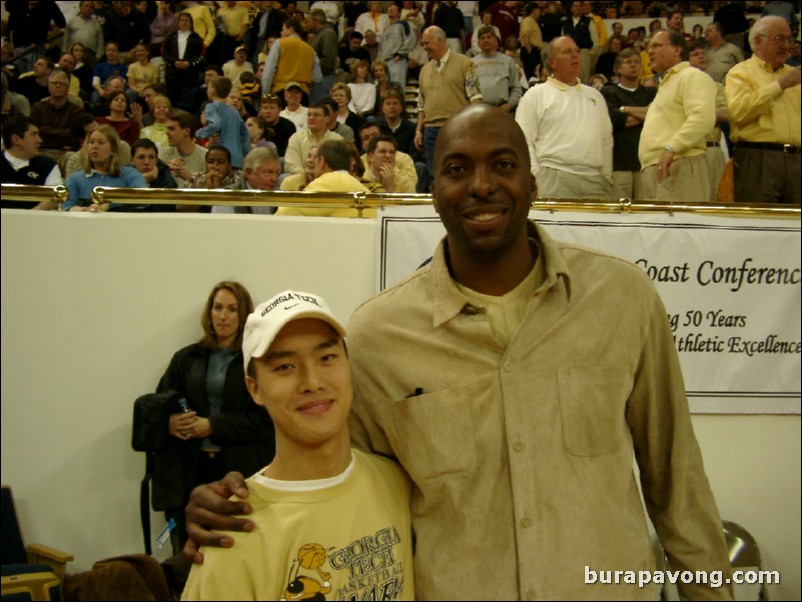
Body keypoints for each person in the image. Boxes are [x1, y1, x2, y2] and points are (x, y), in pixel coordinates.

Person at [184, 104, 733, 601]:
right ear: (434, 190)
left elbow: (676, 481)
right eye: (456, 169)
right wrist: (239, 495)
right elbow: (337, 475)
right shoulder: (378, 336)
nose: (480, 185)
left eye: (502, 165)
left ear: (532, 182)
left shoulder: (621, 299)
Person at [180, 289, 413, 600]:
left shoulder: (396, 482)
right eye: (285, 367)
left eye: (327, 358)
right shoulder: (233, 535)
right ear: (255, 389)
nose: (313, 381)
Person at [155, 280, 275, 558]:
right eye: (218, 308)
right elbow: (159, 405)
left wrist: (212, 425)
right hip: (190, 468)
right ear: (209, 313)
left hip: (240, 468)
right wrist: (169, 424)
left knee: (235, 548)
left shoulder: (256, 361)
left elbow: (266, 421)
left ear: (244, 315)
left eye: (232, 309)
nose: (223, 316)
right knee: (189, 549)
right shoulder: (187, 359)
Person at [515, 37, 613, 199]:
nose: (575, 55)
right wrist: (536, 177)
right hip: (552, 177)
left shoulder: (595, 95)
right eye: (567, 52)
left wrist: (606, 176)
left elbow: (606, 140)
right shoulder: (536, 94)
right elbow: (523, 140)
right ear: (552, 62)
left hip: (595, 179)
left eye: (576, 51)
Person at [725, 16, 801, 204]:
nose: (786, 45)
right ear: (758, 41)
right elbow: (739, 112)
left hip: (797, 159)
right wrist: (780, 85)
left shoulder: (794, 75)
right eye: (779, 39)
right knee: (759, 225)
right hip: (758, 159)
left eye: (789, 39)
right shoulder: (740, 73)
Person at [639, 30, 716, 203]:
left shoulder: (692, 76)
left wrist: (672, 148)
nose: (650, 52)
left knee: (684, 228)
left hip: (679, 163)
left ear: (677, 50)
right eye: (648, 47)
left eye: (657, 46)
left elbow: (702, 118)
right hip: (657, 167)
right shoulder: (666, 84)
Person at [414, 26, 482, 169]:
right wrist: (419, 130)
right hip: (431, 131)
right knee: (435, 175)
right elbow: (421, 104)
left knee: (459, 172)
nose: (424, 47)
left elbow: (475, 98)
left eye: (427, 43)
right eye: (423, 44)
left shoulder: (465, 63)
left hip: (457, 128)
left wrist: (474, 129)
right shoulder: (424, 70)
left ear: (440, 40)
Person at [600, 47, 657, 200]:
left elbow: (658, 116)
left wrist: (625, 109)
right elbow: (614, 120)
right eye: (628, 62)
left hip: (646, 163)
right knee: (619, 214)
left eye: (637, 62)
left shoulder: (651, 92)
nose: (633, 65)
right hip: (619, 163)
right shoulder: (608, 92)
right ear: (617, 68)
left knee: (645, 212)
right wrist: (646, 114)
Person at [277, 139, 373, 218]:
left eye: (316, 159)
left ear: (322, 162)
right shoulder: (360, 187)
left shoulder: (328, 182)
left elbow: (284, 214)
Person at [63, 124, 147, 212]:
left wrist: (109, 205)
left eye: (100, 142)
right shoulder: (75, 179)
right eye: (91, 142)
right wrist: (76, 209)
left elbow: (142, 197)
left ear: (113, 149)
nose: (94, 146)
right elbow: (66, 205)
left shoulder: (130, 174)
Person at [688, 42, 731, 202]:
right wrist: (707, 115)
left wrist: (693, 116)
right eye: (695, 54)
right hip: (688, 149)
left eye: (702, 53)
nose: (701, 56)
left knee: (716, 201)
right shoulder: (680, 86)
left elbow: (724, 114)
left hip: (711, 148)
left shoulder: (717, 86)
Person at [0, 114, 62, 210]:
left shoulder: (48, 166)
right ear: (16, 139)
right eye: (34, 135)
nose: (40, 140)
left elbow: (55, 198)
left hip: (37, 222)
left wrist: (28, 217)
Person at [29, 68, 86, 160]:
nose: (58, 86)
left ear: (68, 88)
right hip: (41, 151)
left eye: (62, 83)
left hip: (66, 154)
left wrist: (45, 130)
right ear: (48, 86)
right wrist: (62, 138)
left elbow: (74, 138)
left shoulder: (76, 111)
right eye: (54, 83)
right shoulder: (37, 108)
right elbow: (33, 134)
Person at [195, 76, 250, 169]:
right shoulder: (235, 112)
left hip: (221, 158)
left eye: (208, 87)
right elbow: (245, 134)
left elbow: (215, 124)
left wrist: (200, 133)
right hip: (237, 158)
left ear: (213, 90)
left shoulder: (211, 107)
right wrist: (243, 151)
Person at [261, 17, 318, 99]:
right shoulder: (311, 50)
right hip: (303, 95)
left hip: (282, 92)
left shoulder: (279, 43)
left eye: (283, 29)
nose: (281, 33)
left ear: (291, 29)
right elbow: (316, 78)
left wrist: (265, 95)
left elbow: (269, 72)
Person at [214, 146, 281, 215]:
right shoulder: (226, 198)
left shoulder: (280, 197)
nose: (274, 179)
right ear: (249, 172)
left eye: (277, 173)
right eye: (268, 172)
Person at [284, 101, 343, 175]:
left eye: (316, 115)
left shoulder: (337, 140)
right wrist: (308, 177)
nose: (311, 118)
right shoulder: (296, 138)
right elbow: (291, 165)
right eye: (309, 115)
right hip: (302, 179)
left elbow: (340, 166)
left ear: (326, 119)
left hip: (328, 180)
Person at [472, 26, 522, 114]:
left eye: (489, 37)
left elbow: (516, 88)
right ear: (478, 43)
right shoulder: (470, 63)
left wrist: (509, 105)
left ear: (496, 40)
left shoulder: (508, 61)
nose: (486, 40)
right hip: (478, 111)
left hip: (501, 110)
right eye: (482, 38)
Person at [163, 12, 206, 107]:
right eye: (181, 20)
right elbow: (165, 53)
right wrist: (174, 62)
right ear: (178, 22)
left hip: (189, 73)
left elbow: (200, 55)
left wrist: (190, 63)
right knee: (172, 97)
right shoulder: (171, 37)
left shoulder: (196, 38)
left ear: (191, 23)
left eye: (187, 20)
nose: (184, 22)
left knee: (188, 97)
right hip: (173, 72)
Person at [158, 109, 208, 187]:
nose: (166, 132)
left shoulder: (206, 156)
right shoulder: (162, 154)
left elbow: (209, 190)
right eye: (166, 128)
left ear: (186, 131)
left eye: (171, 129)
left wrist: (189, 177)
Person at [377, 4, 416, 89]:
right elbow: (381, 48)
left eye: (394, 9)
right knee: (384, 90)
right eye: (389, 8)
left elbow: (411, 39)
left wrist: (400, 54)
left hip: (396, 61)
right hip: (384, 63)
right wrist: (379, 62)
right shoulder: (386, 29)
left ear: (399, 13)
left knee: (397, 89)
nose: (390, 10)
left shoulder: (403, 24)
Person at [562, 0, 597, 83]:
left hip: (584, 51)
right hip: (569, 52)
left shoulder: (588, 21)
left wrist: (592, 52)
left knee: (583, 77)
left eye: (579, 6)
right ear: (571, 8)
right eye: (575, 6)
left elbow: (595, 38)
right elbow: (563, 38)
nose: (578, 8)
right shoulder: (566, 22)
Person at [61, 1, 105, 69]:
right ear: (80, 7)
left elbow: (100, 42)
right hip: (73, 53)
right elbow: (65, 39)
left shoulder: (96, 24)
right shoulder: (72, 21)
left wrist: (98, 57)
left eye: (91, 7)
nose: (88, 8)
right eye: (86, 6)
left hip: (89, 55)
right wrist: (65, 53)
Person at [308, 9, 338, 104]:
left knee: (321, 108)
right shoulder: (320, 34)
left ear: (315, 21)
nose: (308, 23)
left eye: (309, 21)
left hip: (324, 79)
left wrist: (314, 70)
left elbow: (328, 59)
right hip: (318, 78)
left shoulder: (328, 33)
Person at [257, 93, 296, 158]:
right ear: (260, 110)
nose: (268, 111)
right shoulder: (255, 125)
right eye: (265, 108)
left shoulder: (288, 126)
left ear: (279, 110)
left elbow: (286, 151)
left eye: (272, 108)